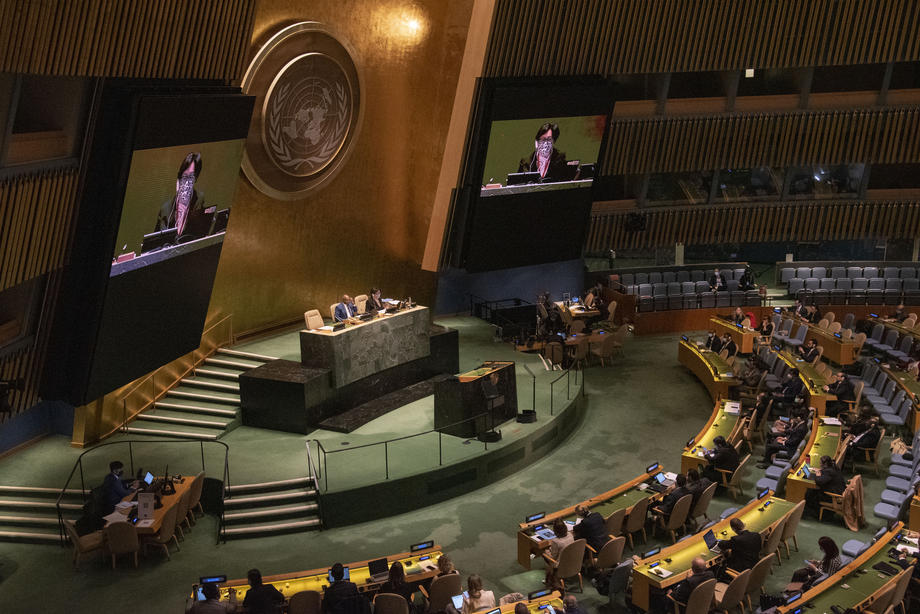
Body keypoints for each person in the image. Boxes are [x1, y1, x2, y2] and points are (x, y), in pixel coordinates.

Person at [154, 152, 214, 243]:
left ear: (196, 179)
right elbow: (155, 244)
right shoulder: (165, 210)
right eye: (185, 176)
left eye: (191, 178)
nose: (187, 183)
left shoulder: (200, 200)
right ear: (179, 177)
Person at [545, 519, 575, 585]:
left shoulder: (556, 541)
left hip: (560, 564)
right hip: (573, 561)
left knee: (545, 555)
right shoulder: (570, 534)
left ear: (555, 530)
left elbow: (553, 557)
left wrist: (546, 551)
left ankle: (550, 580)